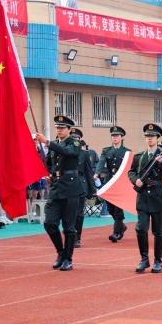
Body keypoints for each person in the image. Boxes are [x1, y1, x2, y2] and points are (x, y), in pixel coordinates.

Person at [34, 116, 81, 271]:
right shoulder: (55, 145)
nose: (59, 130)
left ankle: (68, 259)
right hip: (55, 188)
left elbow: (68, 152)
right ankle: (61, 252)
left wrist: (47, 143)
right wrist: (49, 175)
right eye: (57, 127)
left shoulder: (74, 143)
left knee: (69, 227)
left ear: (70, 130)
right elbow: (49, 163)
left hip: (70, 188)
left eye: (62, 127)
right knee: (49, 222)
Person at [129, 123, 162, 273]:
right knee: (141, 228)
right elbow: (131, 172)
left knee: (158, 231)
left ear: (157, 138)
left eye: (152, 136)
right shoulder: (139, 157)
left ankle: (158, 261)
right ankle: (144, 259)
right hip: (143, 197)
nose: (150, 138)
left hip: (158, 197)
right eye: (147, 136)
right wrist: (135, 180)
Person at [70, 128, 97, 248]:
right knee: (68, 212)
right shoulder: (64, 151)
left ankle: (77, 237)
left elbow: (89, 172)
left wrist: (93, 189)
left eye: (76, 138)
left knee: (78, 213)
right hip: (67, 184)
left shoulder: (85, 154)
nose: (74, 140)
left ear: (80, 140)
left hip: (81, 183)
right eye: (72, 138)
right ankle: (69, 234)